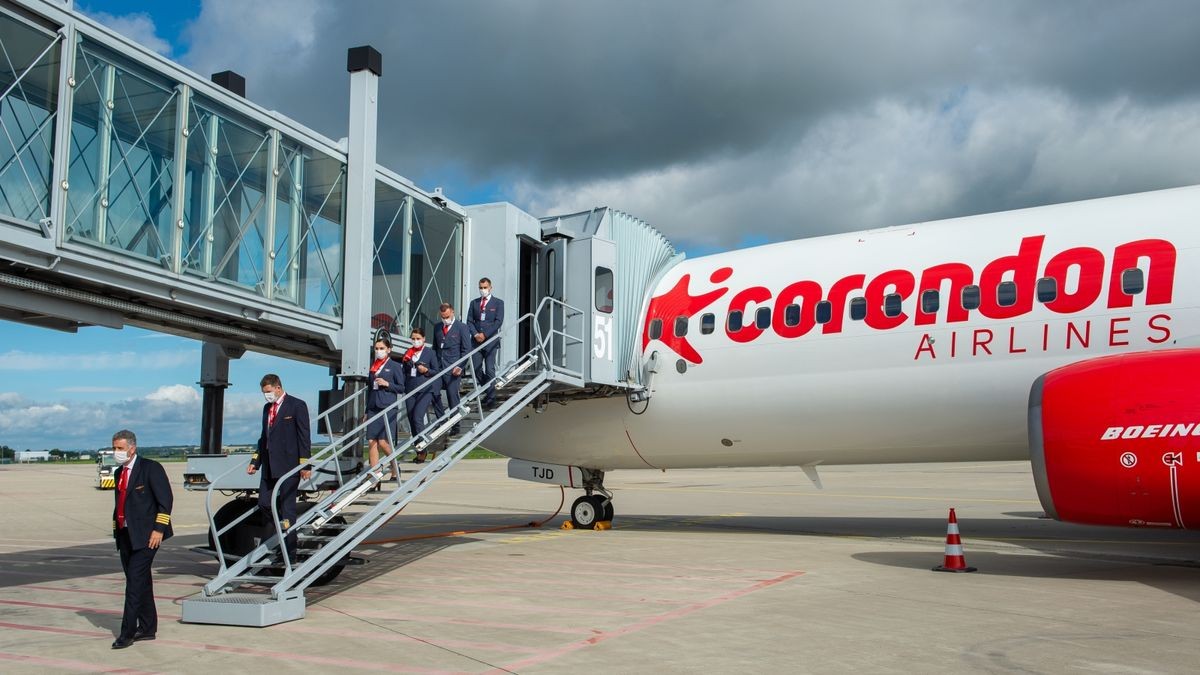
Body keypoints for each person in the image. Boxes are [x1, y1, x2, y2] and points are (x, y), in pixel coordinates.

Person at [110, 429, 172, 650]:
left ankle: (127, 633)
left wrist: (159, 529)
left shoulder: (150, 468)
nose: (116, 452)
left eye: (120, 448)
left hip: (148, 536)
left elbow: (165, 500)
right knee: (141, 581)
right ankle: (148, 627)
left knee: (134, 584)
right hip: (126, 534)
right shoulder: (119, 473)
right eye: (114, 448)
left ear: (132, 448)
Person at [246, 374, 311, 562]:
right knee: (264, 503)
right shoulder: (267, 408)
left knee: (287, 509)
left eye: (268, 392)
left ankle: (289, 553)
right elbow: (263, 437)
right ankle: (280, 534)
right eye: (263, 393)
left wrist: (305, 464)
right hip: (268, 466)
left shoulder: (297, 405)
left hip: (289, 467)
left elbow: (304, 436)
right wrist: (255, 461)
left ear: (278, 388)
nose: (266, 396)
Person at [365, 335, 403, 482]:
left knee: (383, 441)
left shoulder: (394, 366)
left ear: (389, 349)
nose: (379, 351)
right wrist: (366, 411)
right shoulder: (373, 367)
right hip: (374, 407)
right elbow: (369, 390)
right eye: (377, 349)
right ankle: (374, 474)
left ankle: (395, 466)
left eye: (381, 348)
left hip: (387, 407)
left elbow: (401, 387)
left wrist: (387, 384)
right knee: (371, 441)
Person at [432, 301, 473, 434]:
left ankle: (455, 425)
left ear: (452, 312)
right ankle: (442, 422)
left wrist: (460, 366)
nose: (445, 319)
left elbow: (466, 349)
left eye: (447, 316)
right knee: (434, 392)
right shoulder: (437, 327)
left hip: (453, 368)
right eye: (443, 317)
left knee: (452, 396)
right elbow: (435, 348)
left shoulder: (462, 327)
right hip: (439, 368)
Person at [401, 327, 440, 462]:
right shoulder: (408, 353)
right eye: (413, 339)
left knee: (418, 417)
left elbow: (436, 371)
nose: (415, 341)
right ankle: (419, 449)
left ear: (423, 339)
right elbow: (404, 372)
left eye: (418, 339)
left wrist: (426, 370)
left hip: (425, 389)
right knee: (412, 420)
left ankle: (424, 446)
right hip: (410, 390)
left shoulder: (430, 353)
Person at [468, 277, 504, 409]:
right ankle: (488, 390)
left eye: (485, 287)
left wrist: (485, 334)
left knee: (490, 369)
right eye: (481, 288)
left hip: (490, 342)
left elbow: (498, 322)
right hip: (476, 342)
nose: (483, 290)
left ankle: (491, 397)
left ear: (490, 288)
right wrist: (476, 334)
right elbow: (470, 321)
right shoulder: (474, 303)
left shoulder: (498, 303)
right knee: (476, 369)